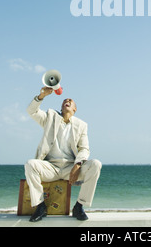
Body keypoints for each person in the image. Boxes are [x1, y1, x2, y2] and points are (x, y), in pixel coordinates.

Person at [25, 86, 102, 222]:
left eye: (70, 101)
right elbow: (31, 111)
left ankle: (79, 206)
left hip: (70, 169)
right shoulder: (50, 116)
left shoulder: (81, 125)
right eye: (65, 100)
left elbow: (84, 149)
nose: (67, 100)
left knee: (96, 164)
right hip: (50, 167)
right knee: (30, 164)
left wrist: (78, 165)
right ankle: (40, 206)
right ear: (61, 107)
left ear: (74, 109)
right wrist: (41, 95)